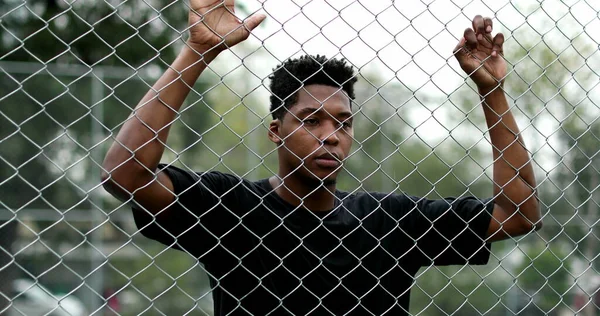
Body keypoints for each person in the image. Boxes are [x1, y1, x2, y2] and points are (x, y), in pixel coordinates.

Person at [101, 0, 542, 314]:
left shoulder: (389, 220)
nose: (330, 136)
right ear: (276, 131)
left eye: (342, 123)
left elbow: (519, 214)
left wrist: (491, 92)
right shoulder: (229, 209)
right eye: (311, 121)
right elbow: (125, 174)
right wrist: (197, 52)